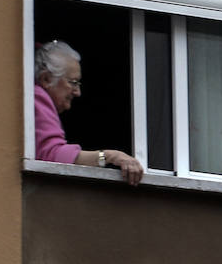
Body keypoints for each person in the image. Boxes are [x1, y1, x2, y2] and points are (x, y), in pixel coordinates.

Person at [34, 40, 144, 185]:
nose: (78, 92)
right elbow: (53, 155)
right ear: (46, 79)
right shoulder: (37, 97)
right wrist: (110, 156)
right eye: (73, 82)